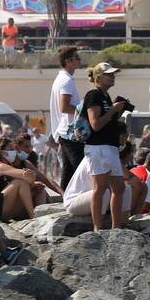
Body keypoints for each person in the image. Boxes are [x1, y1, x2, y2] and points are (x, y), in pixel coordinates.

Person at [80, 62, 130, 231]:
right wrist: (112, 111)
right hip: (97, 147)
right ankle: (97, 228)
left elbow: (107, 122)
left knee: (119, 187)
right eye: (109, 74)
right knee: (100, 188)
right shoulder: (93, 95)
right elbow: (95, 124)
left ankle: (116, 228)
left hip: (109, 147)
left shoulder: (105, 96)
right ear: (99, 77)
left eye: (113, 74)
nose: (113, 76)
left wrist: (117, 111)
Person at [48, 45, 85, 191]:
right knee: (80, 169)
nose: (80, 60)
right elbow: (65, 107)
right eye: (77, 58)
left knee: (69, 171)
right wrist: (84, 111)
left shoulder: (62, 78)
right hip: (69, 133)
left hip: (64, 133)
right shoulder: (66, 81)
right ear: (69, 61)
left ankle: (65, 200)